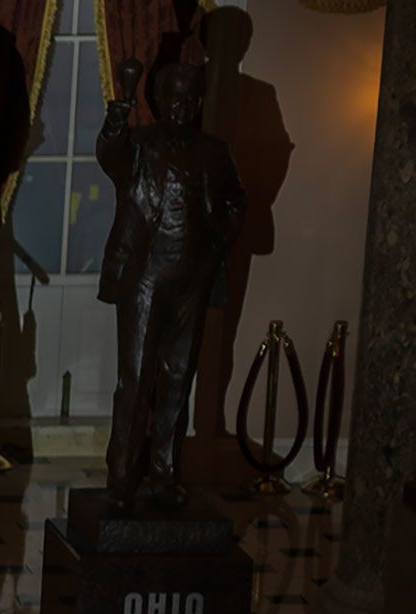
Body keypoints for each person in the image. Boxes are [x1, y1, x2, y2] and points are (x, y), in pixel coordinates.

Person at [96, 55, 244, 512]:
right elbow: (110, 151)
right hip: (144, 277)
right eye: (172, 96)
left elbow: (236, 201)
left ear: (198, 102)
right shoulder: (138, 145)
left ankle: (164, 474)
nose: (181, 105)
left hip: (192, 281)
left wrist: (219, 241)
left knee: (179, 380)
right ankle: (121, 478)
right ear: (158, 100)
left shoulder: (215, 151)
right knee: (137, 380)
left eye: (189, 97)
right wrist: (122, 101)